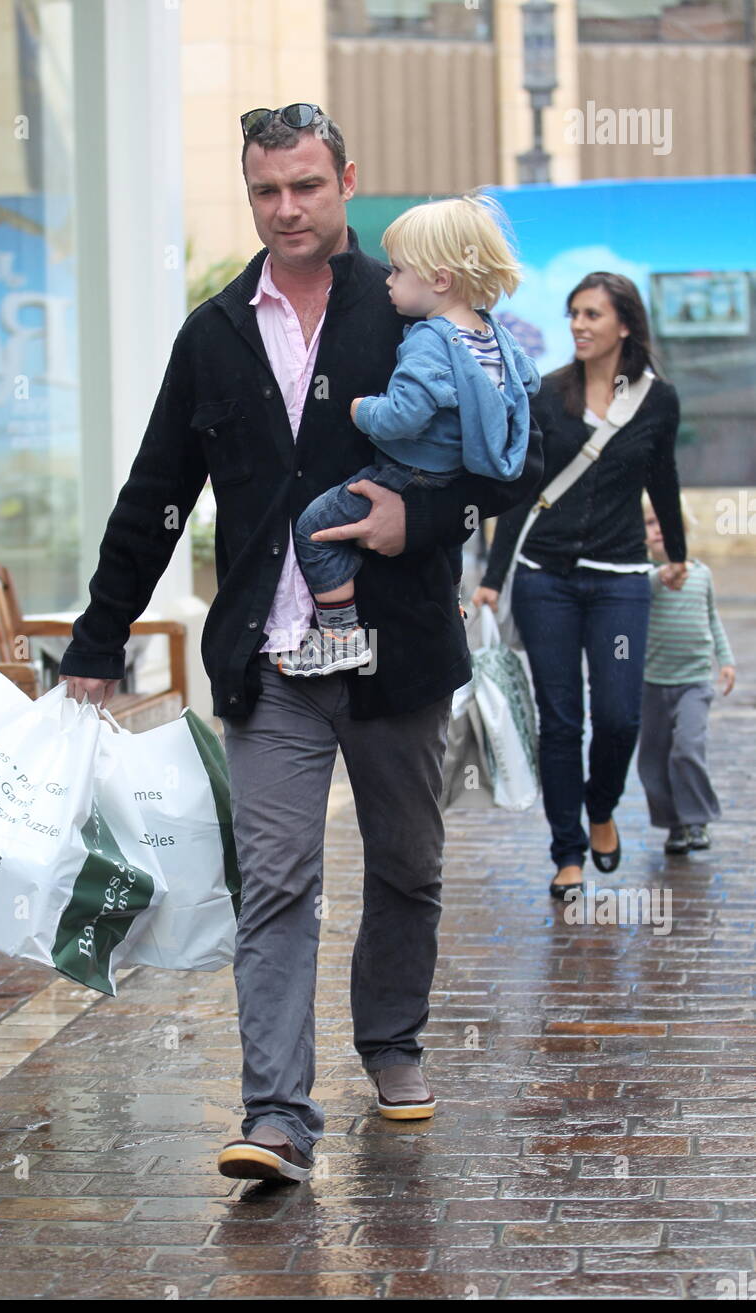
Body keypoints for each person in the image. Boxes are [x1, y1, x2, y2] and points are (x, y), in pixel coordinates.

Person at [60, 102, 542, 1184]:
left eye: (307, 186)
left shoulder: (409, 302)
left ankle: (392, 1040)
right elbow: (156, 496)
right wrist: (95, 642)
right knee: (274, 880)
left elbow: (512, 462)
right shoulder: (214, 331)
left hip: (397, 651)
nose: (287, 208)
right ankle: (275, 1112)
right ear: (250, 194)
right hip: (267, 660)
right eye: (266, 190)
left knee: (408, 868)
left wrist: (413, 521)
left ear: (344, 181)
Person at [472, 272, 688, 899]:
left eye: (592, 314)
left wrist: (675, 554)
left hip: (620, 582)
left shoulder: (655, 399)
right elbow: (519, 491)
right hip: (547, 583)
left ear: (624, 323)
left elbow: (664, 481)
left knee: (619, 716)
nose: (579, 325)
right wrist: (492, 576)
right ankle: (567, 850)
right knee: (562, 720)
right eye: (573, 314)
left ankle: (601, 807)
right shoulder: (549, 394)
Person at [281, 194, 539, 677]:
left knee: (314, 530)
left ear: (440, 279)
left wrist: (361, 409)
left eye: (399, 271)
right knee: (447, 541)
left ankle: (340, 637)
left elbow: (403, 416)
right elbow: (527, 386)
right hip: (454, 476)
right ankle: (452, 606)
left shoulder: (428, 339)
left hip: (408, 472)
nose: (389, 282)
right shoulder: (493, 334)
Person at [638, 499, 735, 854]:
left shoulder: (702, 574)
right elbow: (640, 591)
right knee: (652, 760)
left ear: (685, 530)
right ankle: (673, 826)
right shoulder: (642, 577)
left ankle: (698, 820)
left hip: (695, 682)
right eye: (651, 522)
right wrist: (658, 575)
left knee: (687, 749)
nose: (659, 528)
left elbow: (712, 619)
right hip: (652, 683)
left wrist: (725, 660)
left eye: (667, 522)